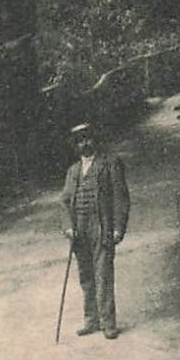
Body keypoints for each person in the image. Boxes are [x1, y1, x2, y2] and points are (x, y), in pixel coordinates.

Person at [60, 123, 130, 340]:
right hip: (79, 232)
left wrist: (118, 228)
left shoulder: (109, 164)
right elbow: (64, 202)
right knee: (86, 276)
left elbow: (121, 198)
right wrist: (69, 227)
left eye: (88, 138)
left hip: (101, 227)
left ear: (95, 140)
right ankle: (91, 320)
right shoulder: (72, 171)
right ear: (75, 145)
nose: (85, 143)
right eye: (80, 140)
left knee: (103, 275)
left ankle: (109, 323)